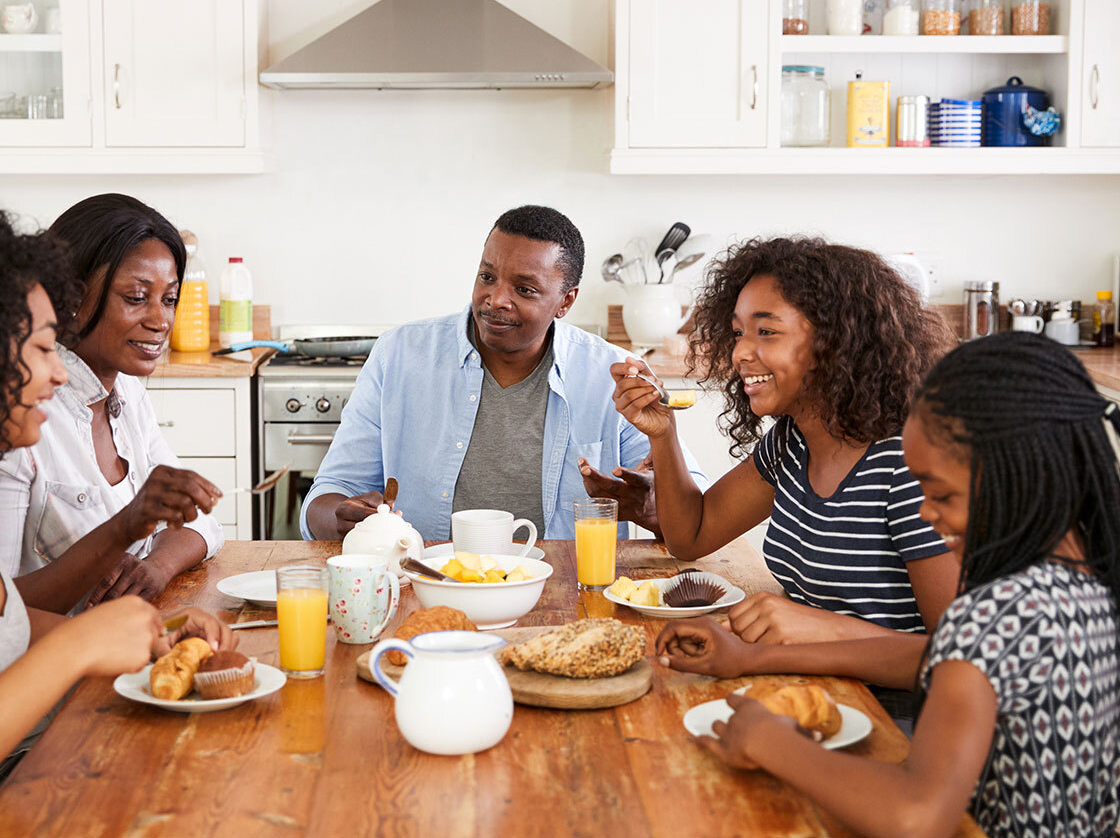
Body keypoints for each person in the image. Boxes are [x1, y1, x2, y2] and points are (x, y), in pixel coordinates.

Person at [654, 333, 1120, 838]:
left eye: (940, 493)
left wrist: (772, 743)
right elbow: (940, 658)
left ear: (1022, 474)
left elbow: (917, 815)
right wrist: (752, 660)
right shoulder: (1085, 587)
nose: (925, 512)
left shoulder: (995, 610)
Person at [0, 202, 232, 837]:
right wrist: (74, 651)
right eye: (40, 348)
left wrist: (148, 629)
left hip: (18, 785)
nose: (62, 372)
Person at [611, 238, 959, 646]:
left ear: (836, 341)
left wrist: (816, 631)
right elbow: (691, 537)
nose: (740, 351)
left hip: (894, 709)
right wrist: (663, 433)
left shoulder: (909, 464)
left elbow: (960, 656)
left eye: (766, 331)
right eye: (738, 332)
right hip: (807, 682)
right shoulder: (791, 444)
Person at [302, 204, 706, 542]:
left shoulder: (610, 373)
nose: (495, 299)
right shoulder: (399, 355)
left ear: (565, 302)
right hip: (423, 585)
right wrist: (342, 517)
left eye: (525, 289)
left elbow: (693, 514)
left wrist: (649, 506)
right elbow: (323, 500)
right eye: (487, 277)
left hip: (565, 593)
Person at [0, 194, 223, 615]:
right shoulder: (17, 418)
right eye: (136, 297)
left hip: (123, 644)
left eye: (169, 299)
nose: (161, 320)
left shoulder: (128, 394)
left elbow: (202, 524)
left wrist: (156, 566)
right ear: (70, 298)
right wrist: (125, 530)